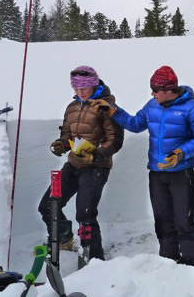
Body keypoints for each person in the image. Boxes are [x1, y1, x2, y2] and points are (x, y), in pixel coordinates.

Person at [90, 65, 194, 267]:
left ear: (167, 90)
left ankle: (191, 263)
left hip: (181, 173)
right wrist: (113, 111)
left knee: (183, 220)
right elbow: (136, 124)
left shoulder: (193, 109)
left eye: (155, 90)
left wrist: (181, 153)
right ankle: (168, 260)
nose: (152, 93)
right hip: (156, 173)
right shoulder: (152, 106)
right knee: (162, 218)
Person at [39, 65, 124, 262]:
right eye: (76, 89)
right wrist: (61, 144)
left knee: (85, 214)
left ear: (94, 86)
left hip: (96, 167)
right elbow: (67, 136)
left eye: (84, 88)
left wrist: (97, 155)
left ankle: (94, 260)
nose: (80, 92)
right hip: (73, 164)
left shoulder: (106, 107)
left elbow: (115, 139)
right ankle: (64, 238)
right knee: (47, 206)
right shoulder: (72, 107)